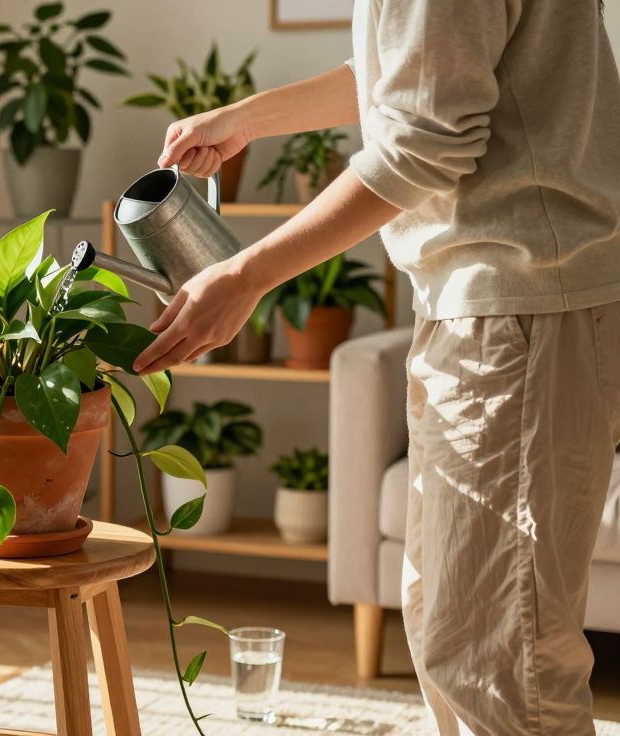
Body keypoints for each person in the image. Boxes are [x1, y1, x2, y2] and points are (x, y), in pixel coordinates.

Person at [133, 1, 620, 734]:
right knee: (458, 639)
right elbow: (423, 71)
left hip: (515, 305)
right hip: (505, 301)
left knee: (500, 668)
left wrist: (245, 278)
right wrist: (251, 119)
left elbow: (425, 142)